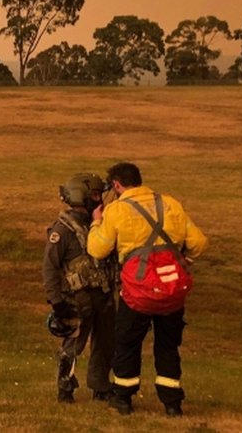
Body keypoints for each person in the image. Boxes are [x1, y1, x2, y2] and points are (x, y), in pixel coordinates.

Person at [87, 162, 208, 417]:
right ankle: (172, 403)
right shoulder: (170, 203)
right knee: (167, 346)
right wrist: (186, 261)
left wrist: (97, 223)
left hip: (138, 293)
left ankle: (123, 399)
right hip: (171, 293)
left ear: (117, 185)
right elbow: (198, 243)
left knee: (127, 344)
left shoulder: (117, 211)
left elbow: (97, 249)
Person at [42, 173, 116, 404]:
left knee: (105, 344)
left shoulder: (99, 225)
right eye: (95, 195)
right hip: (78, 299)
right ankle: (65, 387)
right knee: (74, 344)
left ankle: (101, 386)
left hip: (103, 295)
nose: (99, 199)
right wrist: (56, 301)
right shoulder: (62, 230)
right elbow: (50, 267)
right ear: (80, 196)